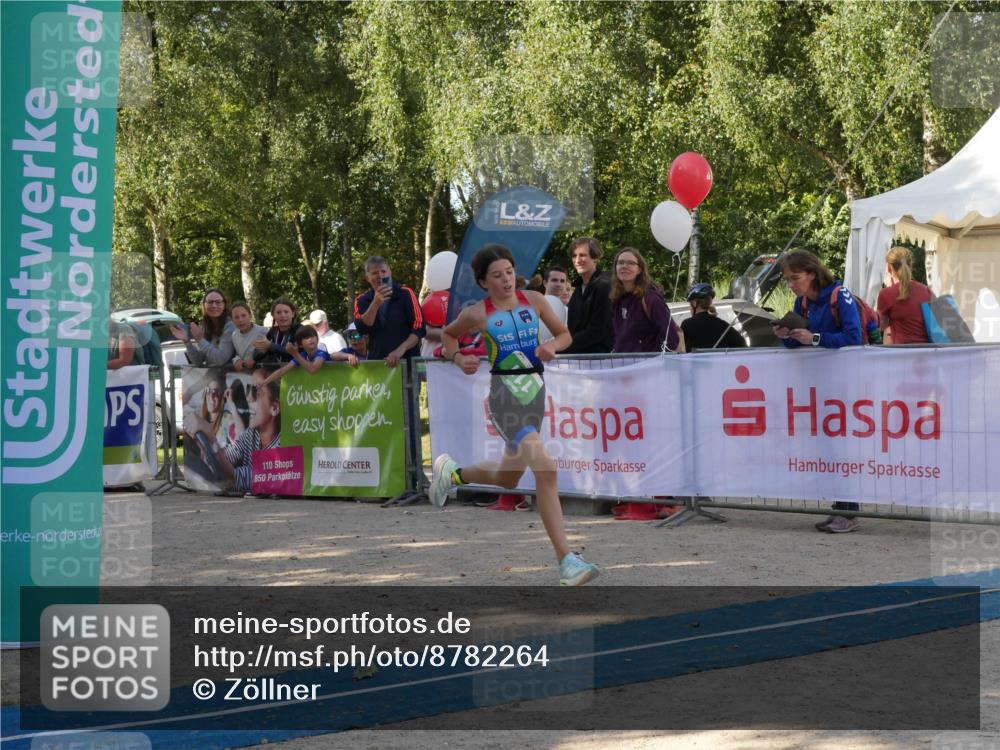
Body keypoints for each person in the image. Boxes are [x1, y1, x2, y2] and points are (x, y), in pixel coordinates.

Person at [428, 243, 601, 586]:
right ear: (483, 282)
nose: (506, 280)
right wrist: (457, 357)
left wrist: (551, 345)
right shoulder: (478, 313)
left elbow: (565, 334)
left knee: (508, 479)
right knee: (546, 469)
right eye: (497, 275)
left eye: (509, 272)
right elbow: (448, 336)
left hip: (535, 396)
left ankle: (454, 473)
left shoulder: (534, 301)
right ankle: (566, 560)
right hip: (504, 398)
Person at [773, 250, 862, 534]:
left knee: (841, 446)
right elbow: (800, 343)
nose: (791, 284)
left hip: (845, 384)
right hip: (819, 385)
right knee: (828, 446)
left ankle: (849, 511)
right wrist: (787, 337)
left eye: (795, 278)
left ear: (812, 273)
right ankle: (841, 507)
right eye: (787, 280)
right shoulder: (802, 303)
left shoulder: (840, 294)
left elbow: (854, 336)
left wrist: (816, 339)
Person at [353, 256, 425, 366]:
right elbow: (362, 329)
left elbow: (419, 328)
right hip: (378, 366)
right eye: (375, 273)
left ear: (390, 272)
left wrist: (400, 350)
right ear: (367, 278)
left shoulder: (405, 294)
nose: (380, 276)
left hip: (408, 364)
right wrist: (375, 303)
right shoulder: (362, 300)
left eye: (383, 271)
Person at [610, 247, 678, 353]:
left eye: (630, 263)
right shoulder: (617, 299)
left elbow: (671, 338)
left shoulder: (651, 299)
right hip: (622, 366)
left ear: (639, 270)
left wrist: (649, 361)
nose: (624, 266)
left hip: (646, 367)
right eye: (620, 262)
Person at [263, 325, 359, 385]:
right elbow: (282, 370)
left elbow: (313, 369)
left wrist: (295, 353)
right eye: (306, 337)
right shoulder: (302, 355)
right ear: (300, 344)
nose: (310, 339)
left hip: (332, 385)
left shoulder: (321, 353)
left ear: (317, 339)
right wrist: (264, 383)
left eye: (312, 336)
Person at [564, 237, 613, 354]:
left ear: (595, 258)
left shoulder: (605, 286)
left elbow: (597, 331)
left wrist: (561, 347)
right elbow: (573, 328)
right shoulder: (577, 289)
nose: (577, 260)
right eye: (574, 256)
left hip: (598, 361)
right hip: (575, 358)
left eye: (582, 255)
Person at [877, 246, 932, 345]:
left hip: (901, 354)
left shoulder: (886, 294)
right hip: (927, 351)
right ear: (910, 266)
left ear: (889, 268)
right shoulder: (926, 290)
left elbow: (881, 325)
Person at [170, 288, 236, 366]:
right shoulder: (207, 327)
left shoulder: (230, 326)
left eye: (218, 302)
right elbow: (198, 361)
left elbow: (220, 359)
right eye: (210, 302)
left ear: (224, 305)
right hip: (212, 377)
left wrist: (200, 340)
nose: (214, 305)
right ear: (204, 305)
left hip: (230, 376)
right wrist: (187, 341)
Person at [681, 283, 747, 351]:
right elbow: (742, 344)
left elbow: (678, 350)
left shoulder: (687, 324)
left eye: (690, 304)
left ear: (694, 303)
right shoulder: (722, 325)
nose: (690, 308)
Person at [253, 296, 301, 365]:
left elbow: (294, 354)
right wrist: (261, 350)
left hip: (298, 371)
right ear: (273, 315)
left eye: (286, 312)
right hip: (278, 371)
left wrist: (270, 346)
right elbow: (256, 355)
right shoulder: (273, 331)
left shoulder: (299, 330)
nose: (283, 315)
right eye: (278, 312)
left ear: (293, 314)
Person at [230, 301, 268, 372]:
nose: (240, 320)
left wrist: (256, 359)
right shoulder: (234, 335)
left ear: (250, 316)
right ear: (232, 320)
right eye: (236, 317)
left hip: (263, 373)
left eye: (243, 315)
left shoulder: (263, 331)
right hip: (244, 374)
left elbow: (271, 353)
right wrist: (236, 360)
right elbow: (237, 354)